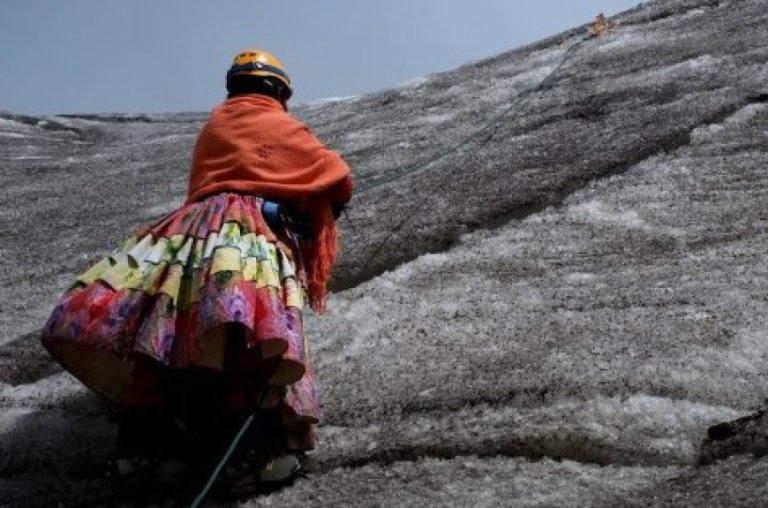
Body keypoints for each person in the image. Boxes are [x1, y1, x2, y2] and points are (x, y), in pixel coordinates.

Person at [41, 48, 353, 498]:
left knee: (166, 333)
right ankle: (252, 457)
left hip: (188, 233)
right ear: (279, 91)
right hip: (246, 234)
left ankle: (146, 453)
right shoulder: (281, 124)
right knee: (248, 334)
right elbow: (337, 176)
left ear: (233, 86)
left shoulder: (213, 126)